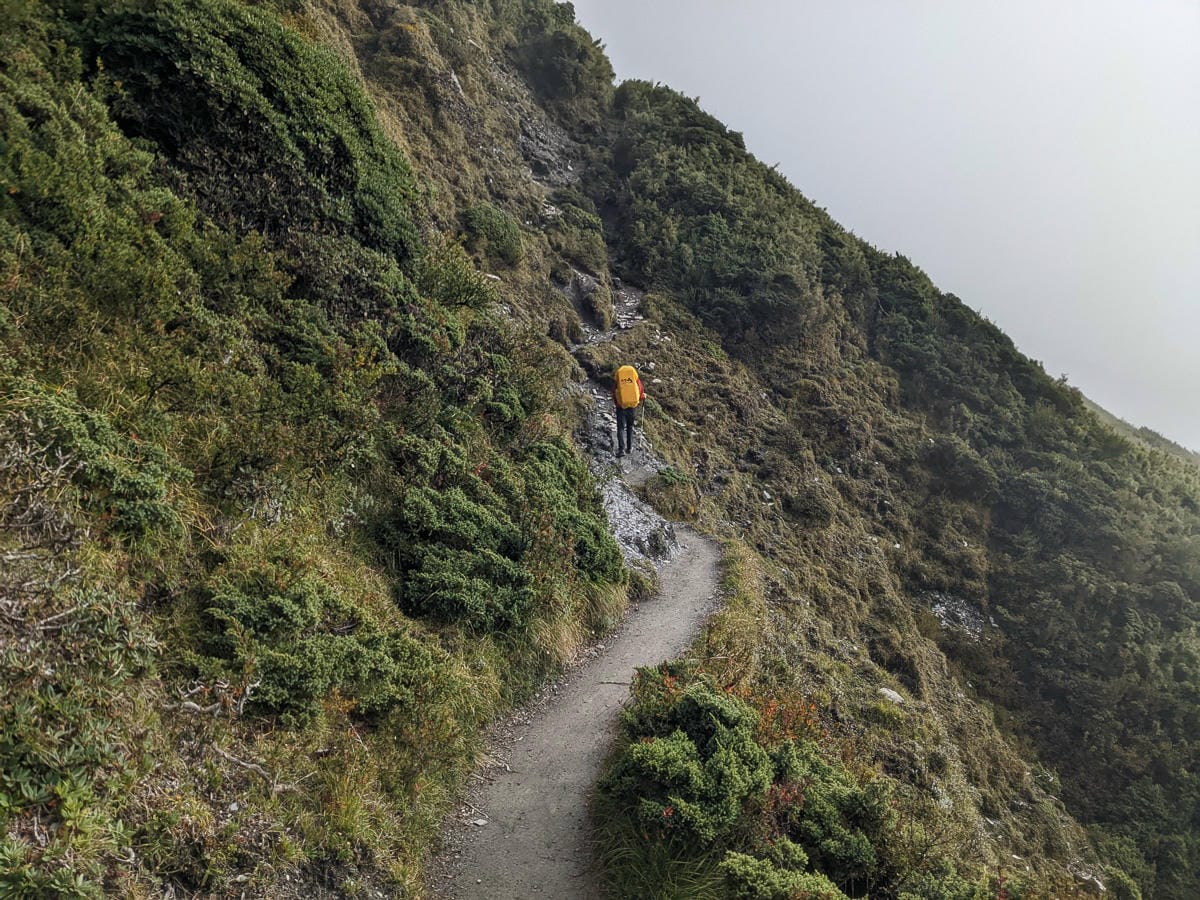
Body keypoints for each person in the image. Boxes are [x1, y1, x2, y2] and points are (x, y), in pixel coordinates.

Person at [612, 364, 645, 458]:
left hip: (621, 407)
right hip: (632, 407)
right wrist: (642, 397)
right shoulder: (634, 376)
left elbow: (614, 391)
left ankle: (621, 450)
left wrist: (617, 403)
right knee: (630, 427)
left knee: (621, 428)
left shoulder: (619, 376)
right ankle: (629, 448)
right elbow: (640, 389)